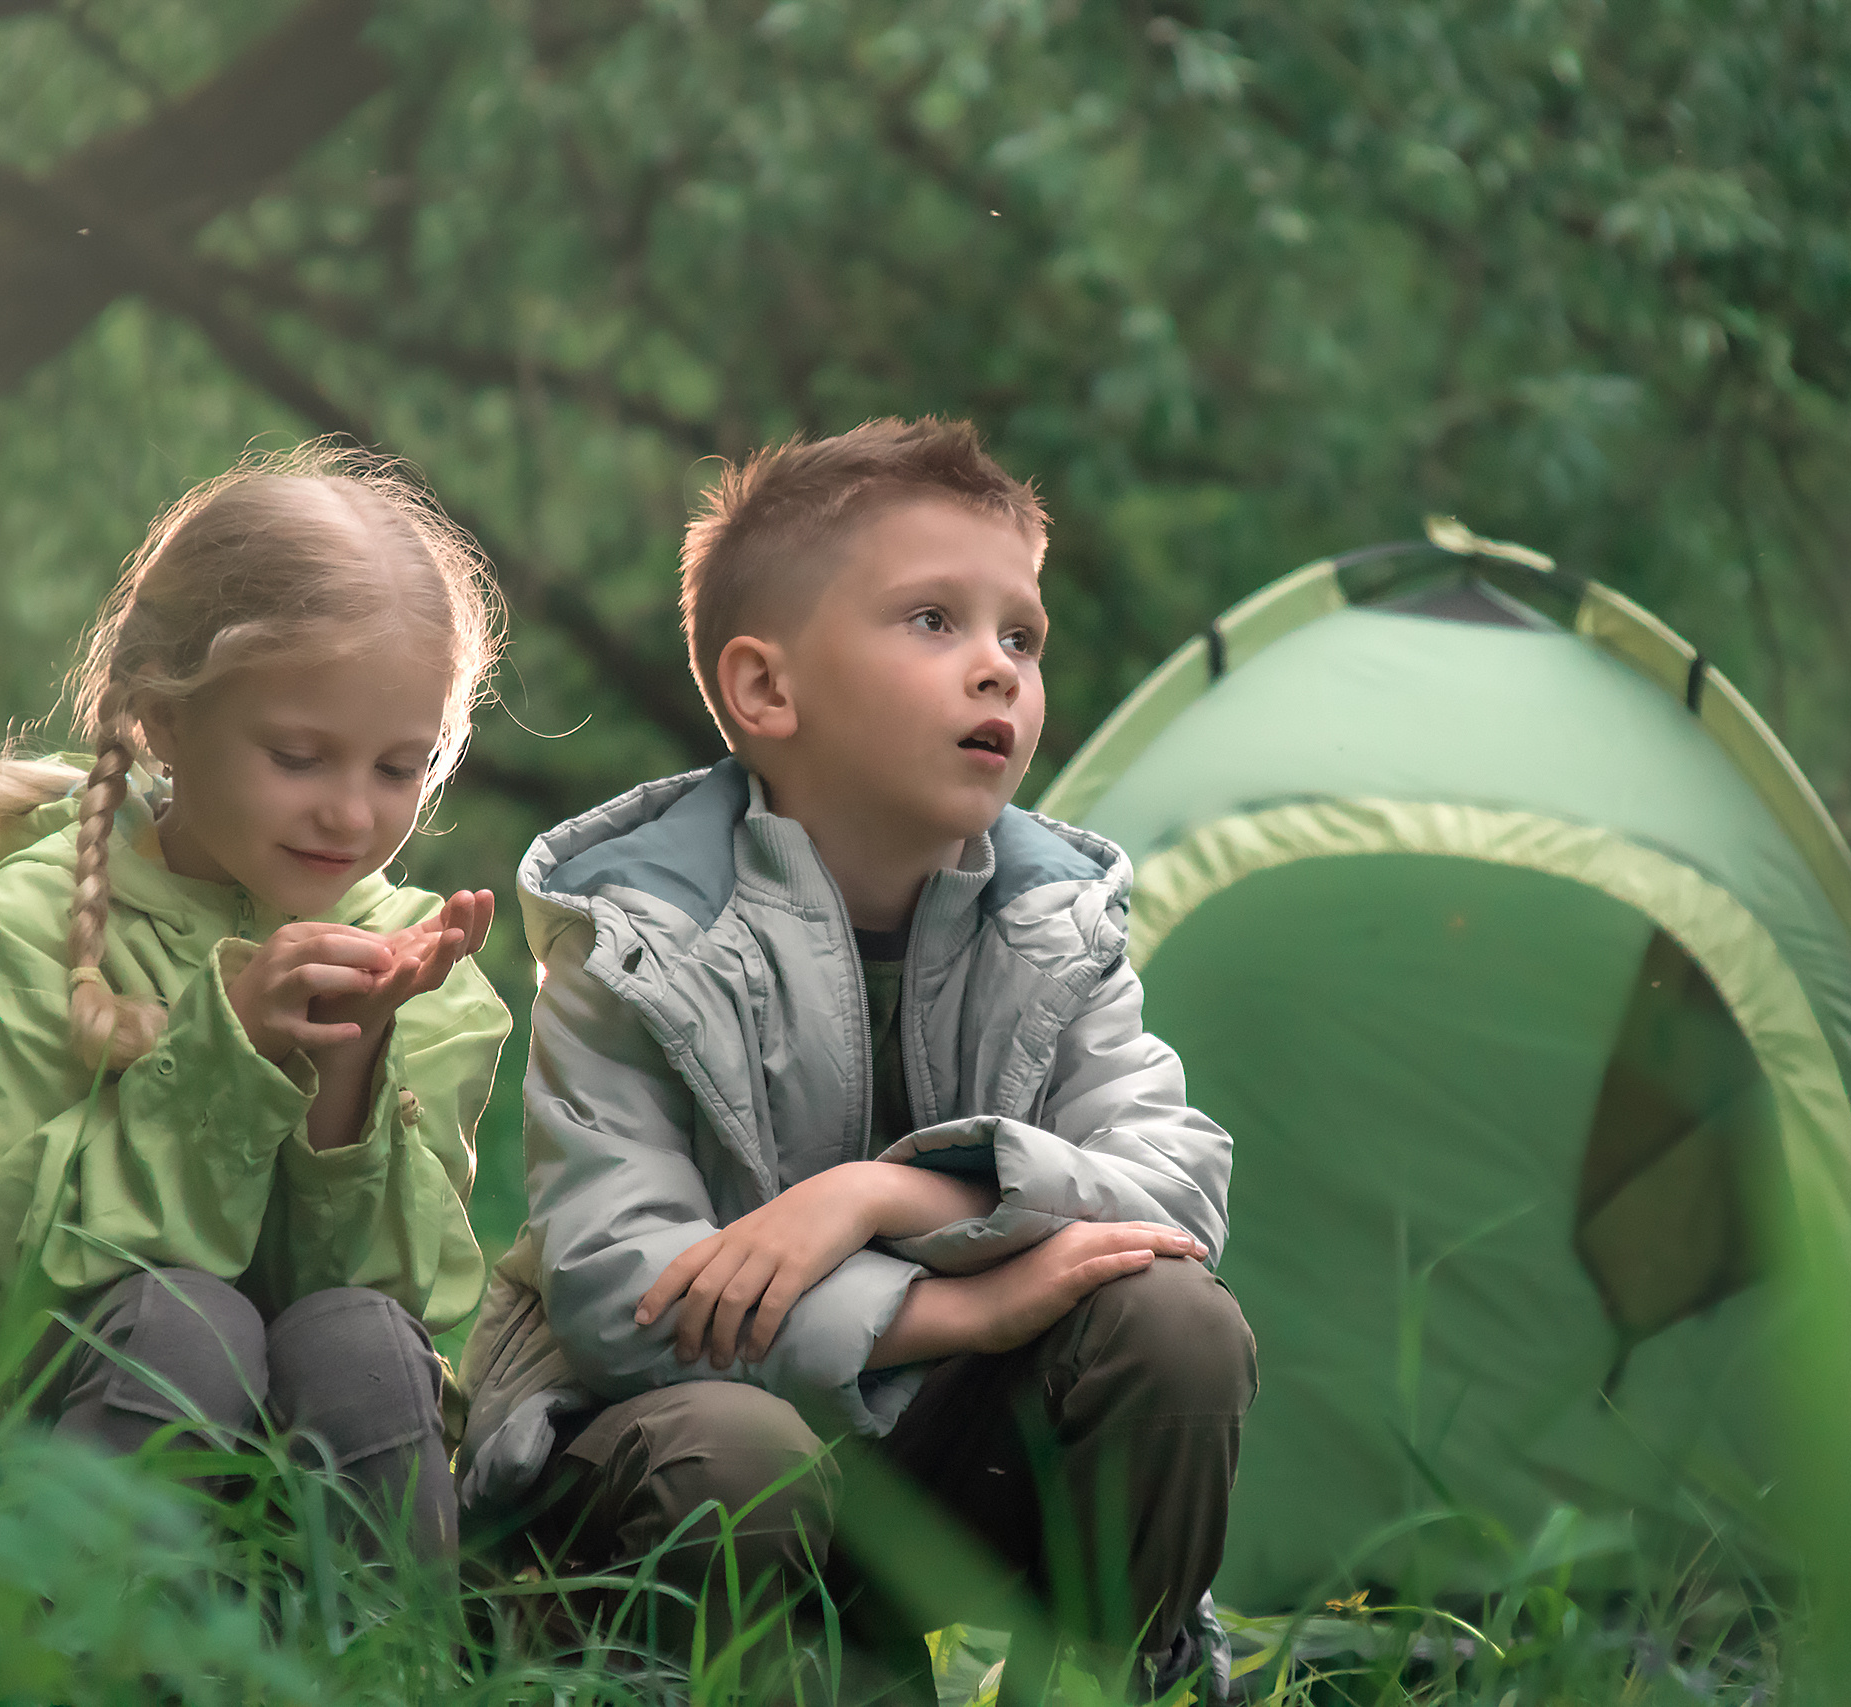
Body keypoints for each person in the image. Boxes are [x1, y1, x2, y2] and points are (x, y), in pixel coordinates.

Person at [456, 418, 1256, 1701]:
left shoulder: (1056, 924)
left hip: (933, 1458)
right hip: (669, 1473)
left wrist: (888, 1195)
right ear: (767, 690)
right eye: (934, 621)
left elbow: (1173, 1193)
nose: (997, 670)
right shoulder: (639, 940)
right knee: (738, 1448)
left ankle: (1127, 1682)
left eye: (1021, 635)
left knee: (1171, 1327)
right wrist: (960, 1309)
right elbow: (623, 1296)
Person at [0, 443, 510, 1561]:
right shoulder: (24, 934)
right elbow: (42, 1254)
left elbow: (397, 1295)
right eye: (301, 755)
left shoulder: (420, 965)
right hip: (33, 1447)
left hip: (290, 1482)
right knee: (188, 1322)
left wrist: (346, 1079)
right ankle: (71, 1647)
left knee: (361, 1338)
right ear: (164, 720)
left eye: (397, 768)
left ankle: (374, 1656)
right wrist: (233, 1056)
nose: (351, 816)